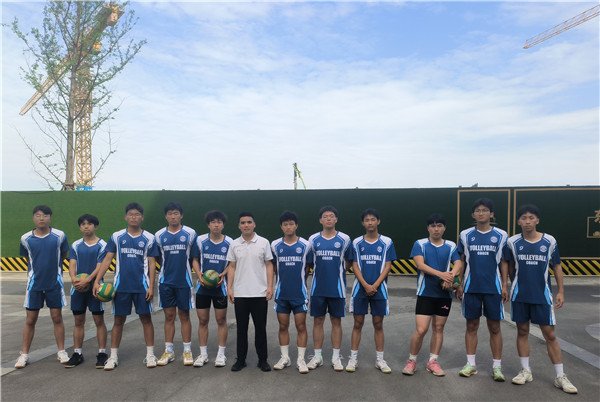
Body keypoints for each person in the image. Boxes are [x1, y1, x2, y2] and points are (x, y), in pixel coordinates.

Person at [502, 204, 578, 394]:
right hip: (520, 295)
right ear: (518, 221)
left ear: (537, 220)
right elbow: (508, 265)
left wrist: (561, 292)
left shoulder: (549, 241)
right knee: (522, 331)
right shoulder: (512, 242)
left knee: (550, 335)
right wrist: (507, 285)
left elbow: (557, 266)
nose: (527, 221)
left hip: (542, 295)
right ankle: (525, 371)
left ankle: (560, 376)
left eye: (531, 218)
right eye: (524, 218)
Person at [93, 202, 159, 370]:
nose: (133, 217)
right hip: (121, 287)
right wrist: (97, 280)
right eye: (131, 214)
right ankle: (113, 357)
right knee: (118, 321)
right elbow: (107, 259)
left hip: (142, 287)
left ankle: (150, 355)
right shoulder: (117, 236)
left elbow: (152, 263)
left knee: (146, 319)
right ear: (125, 217)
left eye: (137, 214)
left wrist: (151, 286)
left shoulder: (149, 238)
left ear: (142, 218)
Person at [402, 213, 462, 377]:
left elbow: (458, 262)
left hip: (444, 295)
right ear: (428, 228)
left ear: (444, 228)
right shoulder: (420, 244)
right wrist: (442, 275)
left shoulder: (450, 245)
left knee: (438, 328)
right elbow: (420, 265)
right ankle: (411, 361)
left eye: (439, 226)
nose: (436, 229)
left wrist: (451, 275)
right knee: (421, 329)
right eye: (433, 226)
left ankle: (433, 362)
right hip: (426, 293)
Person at [457, 198, 509, 381]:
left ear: (491, 214)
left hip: (493, 288)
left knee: (494, 327)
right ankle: (470, 364)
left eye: (485, 210)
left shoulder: (502, 235)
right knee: (471, 326)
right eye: (478, 210)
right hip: (471, 287)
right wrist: (459, 283)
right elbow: (461, 261)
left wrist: (505, 285)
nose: (481, 213)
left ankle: (497, 367)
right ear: (473, 215)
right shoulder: (465, 235)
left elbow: (504, 261)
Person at [15, 205, 69, 369]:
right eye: (38, 215)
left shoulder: (59, 236)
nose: (42, 218)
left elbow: (63, 255)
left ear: (50, 218)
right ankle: (24, 355)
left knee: (57, 318)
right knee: (30, 320)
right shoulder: (26, 238)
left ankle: (61, 351)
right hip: (34, 285)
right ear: (33, 218)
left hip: (54, 284)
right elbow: (28, 258)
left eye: (45, 215)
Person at [346, 209, 397, 374]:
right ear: (363, 223)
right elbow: (354, 265)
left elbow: (388, 265)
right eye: (367, 220)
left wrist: (374, 285)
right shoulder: (356, 242)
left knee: (378, 324)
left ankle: (380, 360)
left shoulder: (387, 242)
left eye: (373, 219)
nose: (370, 222)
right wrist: (365, 285)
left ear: (378, 221)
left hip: (379, 289)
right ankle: (353, 359)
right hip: (360, 289)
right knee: (357, 323)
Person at [226, 212, 274, 372]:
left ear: (254, 224)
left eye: (249, 222)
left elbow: (269, 264)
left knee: (260, 329)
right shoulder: (234, 244)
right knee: (241, 329)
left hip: (259, 293)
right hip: (240, 294)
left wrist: (270, 286)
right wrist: (229, 288)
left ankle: (263, 360)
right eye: (243, 222)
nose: (246, 225)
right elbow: (232, 266)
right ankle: (240, 360)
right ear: (239, 226)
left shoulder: (263, 242)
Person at [307, 205, 352, 372]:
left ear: (336, 219)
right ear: (320, 220)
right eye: (325, 216)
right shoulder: (313, 239)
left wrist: (337, 271)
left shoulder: (345, 239)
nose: (328, 218)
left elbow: (349, 261)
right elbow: (310, 262)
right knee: (318, 321)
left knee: (336, 321)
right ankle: (317, 356)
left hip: (337, 288)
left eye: (331, 216)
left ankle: (336, 357)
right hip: (318, 288)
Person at [154, 202, 197, 366]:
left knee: (184, 316)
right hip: (165, 282)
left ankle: (187, 351)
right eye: (170, 214)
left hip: (184, 282)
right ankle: (169, 351)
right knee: (169, 316)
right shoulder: (159, 235)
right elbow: (158, 257)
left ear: (181, 215)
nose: (173, 216)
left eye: (176, 213)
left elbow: (194, 257)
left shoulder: (190, 233)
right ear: (166, 216)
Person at [270, 211, 313, 374]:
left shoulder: (306, 245)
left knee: (301, 326)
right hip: (281, 294)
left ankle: (301, 360)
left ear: (296, 226)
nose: (288, 227)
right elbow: (273, 267)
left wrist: (299, 280)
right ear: (281, 227)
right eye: (285, 224)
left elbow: (308, 267)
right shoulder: (275, 245)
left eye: (291, 224)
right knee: (283, 326)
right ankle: (285, 358)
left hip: (299, 294)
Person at [65, 214, 108, 369]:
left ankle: (102, 353)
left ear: (95, 226)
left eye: (89, 224)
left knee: (98, 321)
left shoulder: (102, 245)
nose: (86, 226)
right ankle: (77, 353)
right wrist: (74, 279)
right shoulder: (76, 245)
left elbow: (100, 266)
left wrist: (88, 280)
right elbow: (72, 264)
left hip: (96, 288)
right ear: (80, 227)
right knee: (78, 321)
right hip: (78, 289)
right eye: (83, 224)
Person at [191, 210, 233, 368]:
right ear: (208, 224)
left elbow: (232, 263)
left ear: (223, 225)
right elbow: (195, 260)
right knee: (203, 320)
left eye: (219, 222)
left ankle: (221, 354)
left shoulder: (229, 242)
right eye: (213, 222)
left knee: (221, 320)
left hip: (220, 288)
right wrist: (199, 274)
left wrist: (224, 273)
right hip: (203, 288)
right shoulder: (200, 240)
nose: (216, 225)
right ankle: (203, 354)